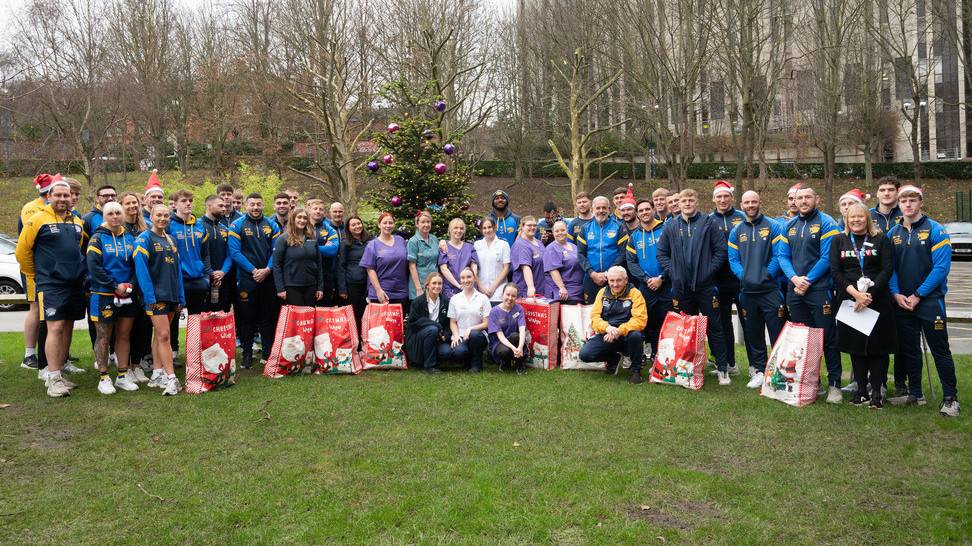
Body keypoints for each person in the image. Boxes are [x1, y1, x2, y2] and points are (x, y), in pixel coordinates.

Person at [887, 186, 960, 417]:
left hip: (929, 301)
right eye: (903, 201)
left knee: (940, 350)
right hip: (903, 302)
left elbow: (941, 268)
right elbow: (890, 268)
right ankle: (915, 394)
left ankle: (951, 398)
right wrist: (896, 293)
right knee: (910, 350)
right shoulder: (893, 233)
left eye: (912, 200)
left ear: (921, 202)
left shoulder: (936, 230)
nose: (908, 204)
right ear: (898, 204)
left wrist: (918, 295)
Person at [16, 177, 85, 397]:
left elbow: (77, 248)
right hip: (50, 284)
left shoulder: (77, 220)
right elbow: (22, 252)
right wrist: (37, 275)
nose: (63, 198)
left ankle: (60, 371)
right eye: (58, 195)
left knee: (67, 326)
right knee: (54, 328)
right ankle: (52, 377)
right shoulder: (37, 219)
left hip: (75, 283)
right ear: (49, 196)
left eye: (66, 195)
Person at [656, 189, 732, 385]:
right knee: (685, 329)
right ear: (678, 204)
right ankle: (687, 367)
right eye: (684, 200)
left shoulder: (708, 223)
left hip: (706, 286)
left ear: (697, 202)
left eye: (691, 200)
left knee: (714, 327)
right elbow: (662, 253)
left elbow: (720, 251)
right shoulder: (671, 225)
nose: (687, 203)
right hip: (682, 288)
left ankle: (722, 368)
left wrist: (708, 272)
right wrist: (674, 271)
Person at [778, 186, 843, 402]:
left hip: (819, 290)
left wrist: (807, 280)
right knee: (803, 339)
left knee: (827, 338)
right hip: (795, 289)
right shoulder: (789, 226)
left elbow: (827, 257)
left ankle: (835, 384)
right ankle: (811, 382)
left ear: (817, 199)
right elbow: (782, 256)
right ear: (794, 201)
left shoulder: (827, 223)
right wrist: (794, 278)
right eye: (799, 198)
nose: (803, 201)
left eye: (808, 197)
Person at [829, 202, 897, 408]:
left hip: (877, 300)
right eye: (852, 217)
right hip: (850, 301)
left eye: (860, 216)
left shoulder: (881, 239)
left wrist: (868, 295)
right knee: (856, 348)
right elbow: (836, 272)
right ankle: (860, 390)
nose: (856, 220)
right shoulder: (838, 240)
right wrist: (856, 295)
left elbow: (887, 270)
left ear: (867, 218)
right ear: (846, 219)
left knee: (876, 348)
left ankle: (876, 392)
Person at [727, 191, 785, 388]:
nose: (750, 205)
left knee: (777, 333)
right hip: (747, 292)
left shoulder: (774, 227)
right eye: (747, 202)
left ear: (759, 202)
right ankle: (759, 371)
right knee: (754, 334)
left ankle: (778, 373)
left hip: (770, 291)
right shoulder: (737, 231)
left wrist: (766, 275)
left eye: (753, 202)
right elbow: (733, 259)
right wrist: (744, 276)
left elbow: (779, 255)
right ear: (741, 204)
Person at [86, 202, 139, 395]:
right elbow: (94, 268)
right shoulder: (97, 238)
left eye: (118, 212)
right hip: (104, 294)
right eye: (110, 213)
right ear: (104, 216)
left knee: (124, 334)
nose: (115, 216)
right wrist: (114, 286)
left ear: (123, 215)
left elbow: (136, 265)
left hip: (127, 294)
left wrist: (130, 285)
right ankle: (104, 377)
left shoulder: (130, 238)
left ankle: (122, 375)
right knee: (104, 336)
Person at [134, 204, 184, 396]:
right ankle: (171, 378)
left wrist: (181, 296)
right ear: (151, 217)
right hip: (155, 297)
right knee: (164, 335)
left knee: (160, 335)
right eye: (159, 215)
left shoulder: (171, 240)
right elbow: (142, 272)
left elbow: (177, 271)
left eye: (166, 215)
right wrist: (149, 297)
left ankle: (157, 374)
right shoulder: (144, 239)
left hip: (171, 295)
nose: (163, 218)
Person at [229, 192, 281, 368]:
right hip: (246, 279)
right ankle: (247, 354)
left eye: (259, 204)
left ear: (263, 205)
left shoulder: (272, 225)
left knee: (268, 317)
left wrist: (267, 270)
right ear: (246, 205)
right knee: (246, 318)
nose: (256, 207)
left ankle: (267, 353)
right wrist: (253, 270)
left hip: (268, 277)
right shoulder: (236, 225)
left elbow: (276, 252)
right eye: (252, 204)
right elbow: (235, 252)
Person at [579, 266, 647, 384]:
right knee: (585, 355)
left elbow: (640, 320)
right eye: (612, 280)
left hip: (627, 335)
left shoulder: (635, 293)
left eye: (619, 280)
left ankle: (635, 370)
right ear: (608, 280)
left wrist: (619, 331)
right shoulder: (602, 292)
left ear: (626, 280)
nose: (615, 284)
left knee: (636, 336)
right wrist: (607, 328)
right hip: (608, 333)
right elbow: (595, 318)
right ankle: (613, 358)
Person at [18, 173, 57, 372]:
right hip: (36, 268)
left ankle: (56, 353)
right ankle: (29, 354)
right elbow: (31, 240)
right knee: (35, 308)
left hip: (50, 269)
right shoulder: (32, 208)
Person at [168, 189, 211, 359]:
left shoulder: (200, 226)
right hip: (177, 280)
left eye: (190, 201)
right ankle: (173, 351)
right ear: (175, 204)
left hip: (198, 279)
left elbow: (205, 254)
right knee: (173, 318)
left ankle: (194, 351)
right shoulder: (169, 225)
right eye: (184, 201)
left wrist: (206, 276)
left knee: (196, 318)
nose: (188, 204)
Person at [625, 198, 671, 360]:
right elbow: (631, 262)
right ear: (637, 214)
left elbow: (674, 256)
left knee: (666, 320)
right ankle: (650, 352)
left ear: (653, 210)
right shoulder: (634, 237)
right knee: (647, 320)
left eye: (647, 209)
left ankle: (664, 353)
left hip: (667, 284)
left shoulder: (666, 229)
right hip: (646, 286)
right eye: (641, 210)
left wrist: (662, 277)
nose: (644, 212)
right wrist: (646, 279)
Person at [710, 180, 746, 376]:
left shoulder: (742, 217)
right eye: (719, 197)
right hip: (719, 280)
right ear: (714, 199)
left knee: (748, 323)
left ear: (732, 198)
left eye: (726, 196)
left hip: (741, 279)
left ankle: (757, 367)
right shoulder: (708, 220)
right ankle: (729, 364)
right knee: (724, 324)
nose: (723, 200)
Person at [118, 191, 151, 381]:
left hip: (143, 284)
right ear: (121, 206)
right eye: (128, 203)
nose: (132, 206)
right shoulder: (118, 228)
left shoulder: (145, 228)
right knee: (125, 329)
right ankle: (125, 367)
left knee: (141, 327)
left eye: (135, 202)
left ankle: (137, 365)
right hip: (126, 284)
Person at [577, 196, 627, 303]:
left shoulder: (619, 227)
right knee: (591, 309)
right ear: (592, 209)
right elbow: (580, 254)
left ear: (609, 209)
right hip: (591, 277)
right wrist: (592, 273)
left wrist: (607, 273)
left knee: (613, 309)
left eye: (604, 208)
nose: (601, 211)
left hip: (614, 279)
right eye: (598, 208)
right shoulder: (585, 228)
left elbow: (623, 253)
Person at [273, 207, 324, 306]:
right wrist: (280, 288)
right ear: (293, 219)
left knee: (309, 315)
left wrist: (320, 288)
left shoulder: (312, 238)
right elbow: (276, 265)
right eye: (299, 217)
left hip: (311, 285)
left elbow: (319, 264)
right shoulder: (283, 239)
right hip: (292, 286)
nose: (302, 220)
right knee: (297, 315)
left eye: (305, 218)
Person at [445, 267, 490, 372]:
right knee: (458, 352)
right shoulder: (454, 299)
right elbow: (452, 322)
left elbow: (486, 323)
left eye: (469, 277)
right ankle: (467, 361)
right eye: (463, 278)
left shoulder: (483, 298)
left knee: (474, 335)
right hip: (461, 335)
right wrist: (456, 335)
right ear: (460, 280)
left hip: (478, 335)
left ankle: (476, 365)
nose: (466, 280)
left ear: (474, 278)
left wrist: (470, 328)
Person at [404, 272, 451, 374]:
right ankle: (430, 366)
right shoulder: (418, 301)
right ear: (427, 285)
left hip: (438, 336)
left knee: (446, 352)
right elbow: (413, 323)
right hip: (418, 337)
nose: (437, 286)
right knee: (432, 329)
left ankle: (434, 359)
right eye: (434, 283)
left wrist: (446, 335)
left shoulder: (445, 302)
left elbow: (448, 324)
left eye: (440, 283)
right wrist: (436, 325)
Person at [361, 212, 410, 307]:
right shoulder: (372, 245)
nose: (388, 225)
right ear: (379, 225)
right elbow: (370, 270)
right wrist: (378, 290)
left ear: (394, 224)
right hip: (381, 293)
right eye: (384, 223)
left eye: (390, 223)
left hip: (401, 292)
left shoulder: (400, 240)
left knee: (400, 317)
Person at [201, 195, 233, 312]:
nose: (224, 208)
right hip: (203, 279)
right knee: (202, 316)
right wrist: (210, 273)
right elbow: (197, 254)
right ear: (209, 206)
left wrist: (223, 272)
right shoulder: (197, 227)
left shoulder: (225, 229)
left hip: (223, 279)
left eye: (224, 206)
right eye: (220, 206)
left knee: (222, 316)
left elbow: (230, 254)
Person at [338, 216, 371, 326]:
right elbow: (341, 266)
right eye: (353, 225)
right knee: (355, 314)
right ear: (348, 228)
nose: (357, 226)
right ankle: (355, 336)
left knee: (367, 313)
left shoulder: (370, 240)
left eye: (358, 223)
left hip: (369, 283)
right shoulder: (345, 243)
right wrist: (342, 289)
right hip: (353, 283)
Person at [488, 283, 528, 374]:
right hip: (499, 342)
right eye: (508, 294)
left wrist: (520, 347)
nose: (510, 298)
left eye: (513, 296)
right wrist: (514, 349)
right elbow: (500, 336)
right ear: (502, 294)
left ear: (516, 297)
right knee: (504, 351)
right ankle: (505, 361)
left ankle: (520, 364)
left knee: (515, 336)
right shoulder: (494, 311)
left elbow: (522, 330)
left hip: (515, 340)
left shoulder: (519, 309)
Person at [307, 199, 340, 304]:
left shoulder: (329, 229)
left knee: (324, 310)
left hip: (326, 276)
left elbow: (333, 250)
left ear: (324, 212)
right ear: (309, 210)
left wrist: (308, 247)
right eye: (315, 209)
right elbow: (296, 248)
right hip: (305, 276)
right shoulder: (302, 226)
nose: (318, 211)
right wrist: (322, 247)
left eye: (321, 209)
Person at [543, 220, 585, 304]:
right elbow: (553, 270)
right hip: (564, 294)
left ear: (567, 231)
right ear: (553, 233)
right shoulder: (551, 249)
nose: (560, 233)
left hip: (578, 291)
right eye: (557, 231)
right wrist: (562, 288)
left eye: (563, 230)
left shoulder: (574, 246)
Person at [474, 217, 511, 305]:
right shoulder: (476, 245)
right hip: (480, 292)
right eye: (484, 228)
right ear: (481, 230)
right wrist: (480, 286)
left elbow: (506, 268)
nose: (487, 230)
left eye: (489, 227)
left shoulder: (504, 245)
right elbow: (474, 268)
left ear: (494, 227)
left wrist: (493, 287)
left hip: (499, 291)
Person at [438, 218, 479, 298]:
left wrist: (468, 282)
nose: (459, 230)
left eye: (461, 228)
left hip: (468, 287)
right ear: (450, 230)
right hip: (450, 290)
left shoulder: (470, 247)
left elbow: (474, 267)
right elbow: (444, 269)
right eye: (455, 228)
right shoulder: (444, 246)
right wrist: (459, 285)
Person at [407, 211, 441, 303]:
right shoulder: (413, 241)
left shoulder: (434, 239)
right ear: (417, 224)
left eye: (428, 222)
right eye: (423, 222)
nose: (426, 224)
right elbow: (412, 266)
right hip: (420, 286)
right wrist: (418, 288)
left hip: (434, 286)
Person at [510, 216, 546, 298]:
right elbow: (525, 267)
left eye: (534, 225)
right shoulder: (520, 244)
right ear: (522, 227)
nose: (532, 228)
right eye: (529, 225)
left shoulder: (539, 242)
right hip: (527, 292)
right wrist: (530, 287)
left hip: (540, 289)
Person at [322, 201, 346, 305]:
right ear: (330, 212)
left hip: (344, 274)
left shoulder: (348, 229)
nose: (337, 214)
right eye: (335, 211)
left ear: (343, 212)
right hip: (328, 272)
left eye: (340, 211)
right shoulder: (325, 229)